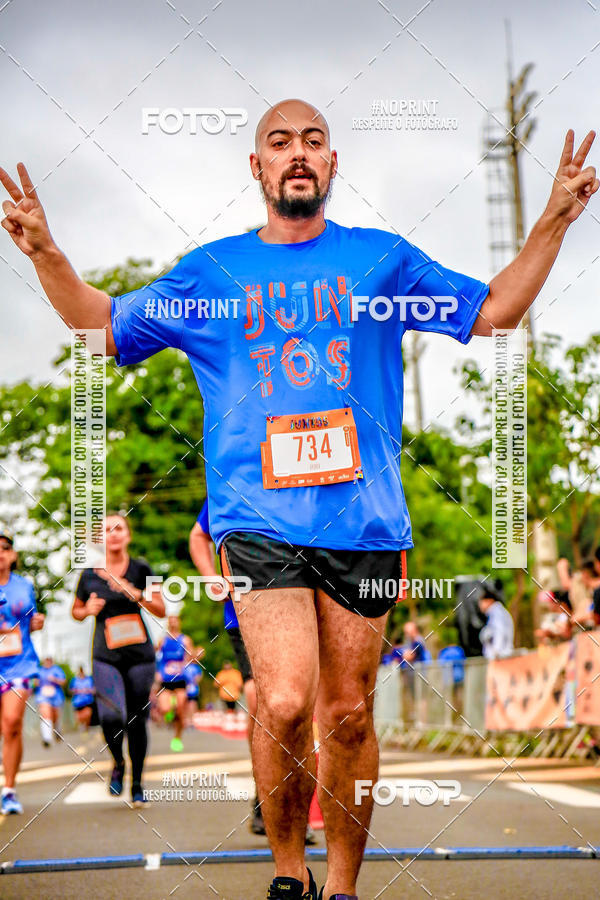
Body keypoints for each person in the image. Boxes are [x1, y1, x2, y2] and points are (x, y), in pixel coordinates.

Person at [2, 100, 597, 900]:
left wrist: (555, 221)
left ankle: (344, 886)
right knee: (283, 700)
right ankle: (289, 876)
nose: (297, 154)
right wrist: (46, 254)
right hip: (257, 522)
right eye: (279, 143)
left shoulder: (381, 262)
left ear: (332, 164)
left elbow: (493, 312)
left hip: (366, 521)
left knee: (348, 713)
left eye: (313, 141)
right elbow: (102, 327)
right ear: (257, 168)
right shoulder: (213, 276)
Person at [71, 514, 165, 807]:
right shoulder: (88, 575)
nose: (113, 534)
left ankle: (137, 784)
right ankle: (118, 763)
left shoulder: (142, 568)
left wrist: (136, 593)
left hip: (140, 655)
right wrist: (87, 609)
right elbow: (75, 611)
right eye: (106, 530)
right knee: (111, 717)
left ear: (128, 535)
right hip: (105, 655)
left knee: (137, 720)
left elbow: (161, 608)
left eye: (119, 528)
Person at [0, 528, 45, 814]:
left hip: (20, 664)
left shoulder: (24, 586)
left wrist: (37, 622)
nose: (0, 553)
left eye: (5, 548)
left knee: (12, 721)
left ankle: (9, 789)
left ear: (13, 555)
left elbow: (32, 619)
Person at [155, 614, 194, 752]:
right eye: (170, 621)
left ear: (179, 622)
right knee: (165, 709)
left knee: (180, 711)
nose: (173, 623)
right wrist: (157, 672)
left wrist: (193, 658)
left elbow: (191, 658)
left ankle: (177, 738)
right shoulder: (163, 641)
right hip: (166, 680)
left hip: (180, 680)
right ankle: (169, 710)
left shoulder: (185, 640)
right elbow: (155, 656)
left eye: (175, 620)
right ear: (168, 624)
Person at [35, 656, 66, 746]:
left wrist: (55, 679)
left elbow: (63, 681)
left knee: (55, 716)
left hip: (56, 696)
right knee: (45, 714)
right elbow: (35, 683)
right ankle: (47, 738)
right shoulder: (40, 670)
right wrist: (36, 682)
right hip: (43, 695)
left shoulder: (57, 669)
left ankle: (57, 730)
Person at [478, 590, 515, 659]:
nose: (480, 605)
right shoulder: (497, 612)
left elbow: (499, 631)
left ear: (490, 600)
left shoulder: (496, 612)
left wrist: (496, 651)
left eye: (481, 602)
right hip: (501, 655)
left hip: (500, 656)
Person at [69, 666, 95, 731]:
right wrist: (76, 691)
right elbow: (70, 690)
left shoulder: (89, 679)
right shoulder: (74, 680)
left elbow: (94, 690)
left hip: (87, 701)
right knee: (79, 718)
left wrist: (88, 690)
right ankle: (82, 725)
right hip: (77, 702)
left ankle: (86, 727)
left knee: (87, 714)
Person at [184, 646, 204, 723]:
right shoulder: (193, 666)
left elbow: (198, 677)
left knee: (191, 703)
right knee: (189, 703)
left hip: (191, 688)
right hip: (191, 687)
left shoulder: (194, 666)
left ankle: (190, 720)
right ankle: (189, 719)